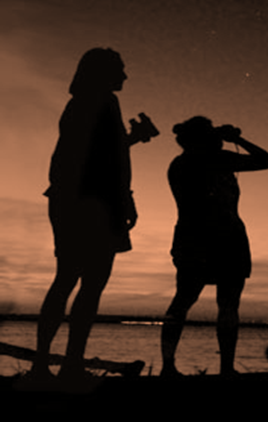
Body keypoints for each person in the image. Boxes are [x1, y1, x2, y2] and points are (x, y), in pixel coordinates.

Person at [30, 48, 155, 380]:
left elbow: (97, 152)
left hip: (72, 199)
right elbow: (104, 161)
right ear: (102, 72)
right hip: (95, 202)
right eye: (120, 69)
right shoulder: (105, 102)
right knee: (90, 283)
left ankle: (44, 364)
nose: (125, 76)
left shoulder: (80, 103)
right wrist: (124, 199)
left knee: (67, 279)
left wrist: (131, 140)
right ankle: (69, 364)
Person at [161, 116, 268, 377]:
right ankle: (224, 368)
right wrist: (237, 140)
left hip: (197, 238)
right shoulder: (214, 159)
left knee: (184, 301)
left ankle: (169, 365)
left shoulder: (180, 163)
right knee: (224, 304)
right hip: (222, 238)